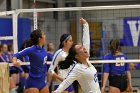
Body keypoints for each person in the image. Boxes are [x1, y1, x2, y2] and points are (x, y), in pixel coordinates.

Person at [53, 18, 101, 93]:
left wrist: (85, 25)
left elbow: (86, 42)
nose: (84, 48)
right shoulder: (77, 68)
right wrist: (56, 91)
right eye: (80, 48)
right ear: (77, 56)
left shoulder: (86, 61)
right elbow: (66, 82)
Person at [12, 29, 49, 93]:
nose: (45, 36)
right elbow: (15, 55)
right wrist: (15, 62)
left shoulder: (44, 50)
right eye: (44, 35)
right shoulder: (31, 49)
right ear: (40, 38)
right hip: (33, 83)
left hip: (42, 82)